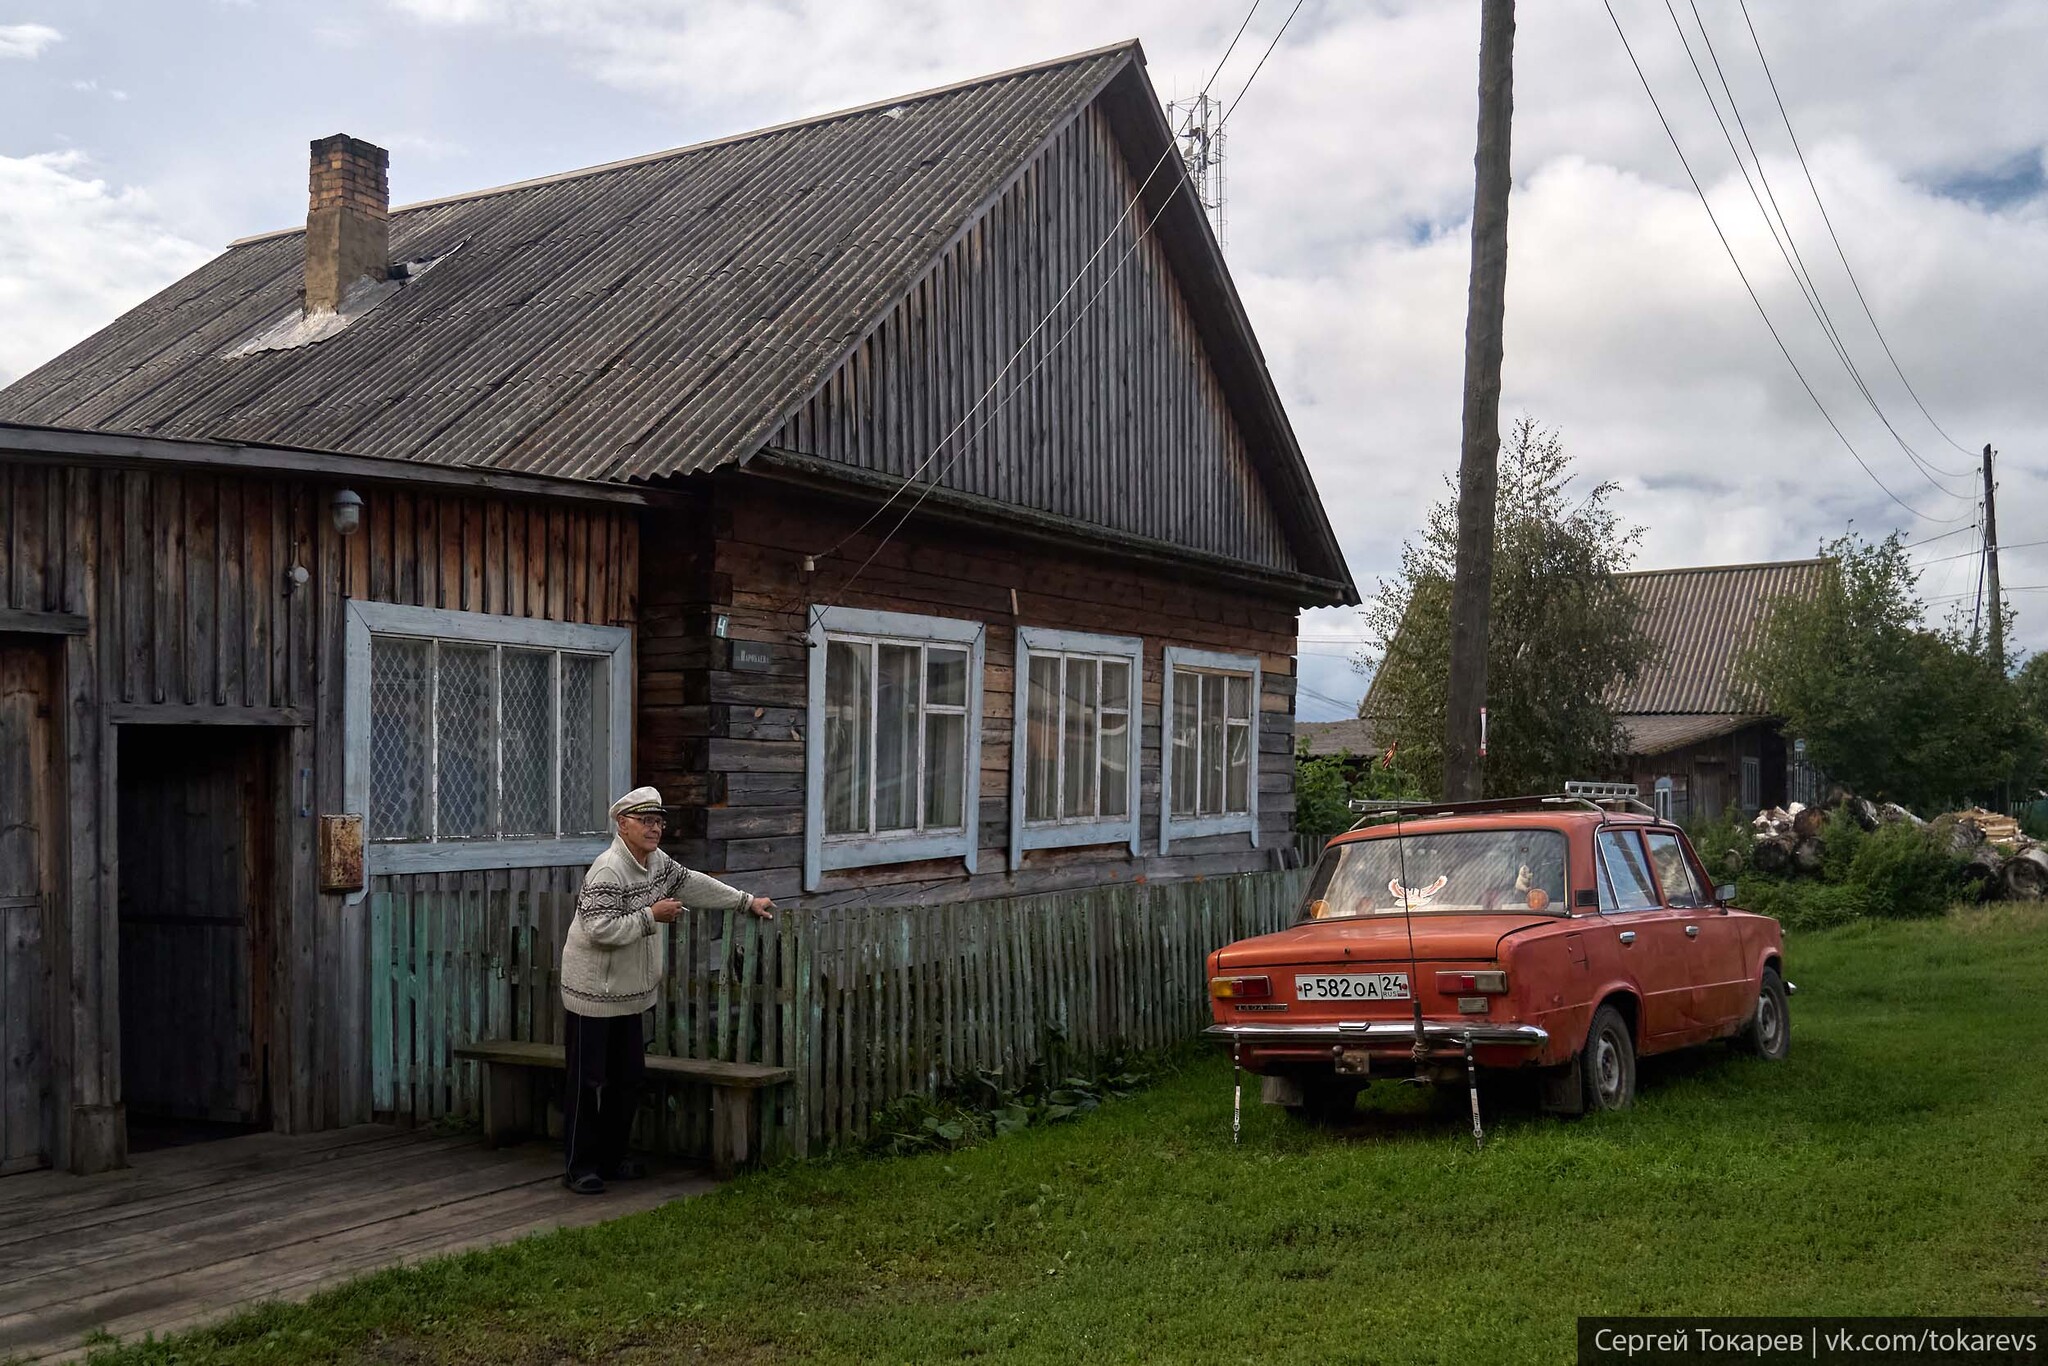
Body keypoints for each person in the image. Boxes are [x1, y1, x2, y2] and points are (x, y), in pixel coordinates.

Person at [560, 785, 774, 1193]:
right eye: (645, 821)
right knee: (587, 1083)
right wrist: (650, 915)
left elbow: (691, 882)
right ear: (622, 825)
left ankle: (612, 1158)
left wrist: (745, 901)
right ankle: (580, 1167)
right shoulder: (607, 870)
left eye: (658, 821)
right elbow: (598, 929)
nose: (654, 828)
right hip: (592, 995)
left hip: (630, 994)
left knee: (628, 1079)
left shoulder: (656, 863)